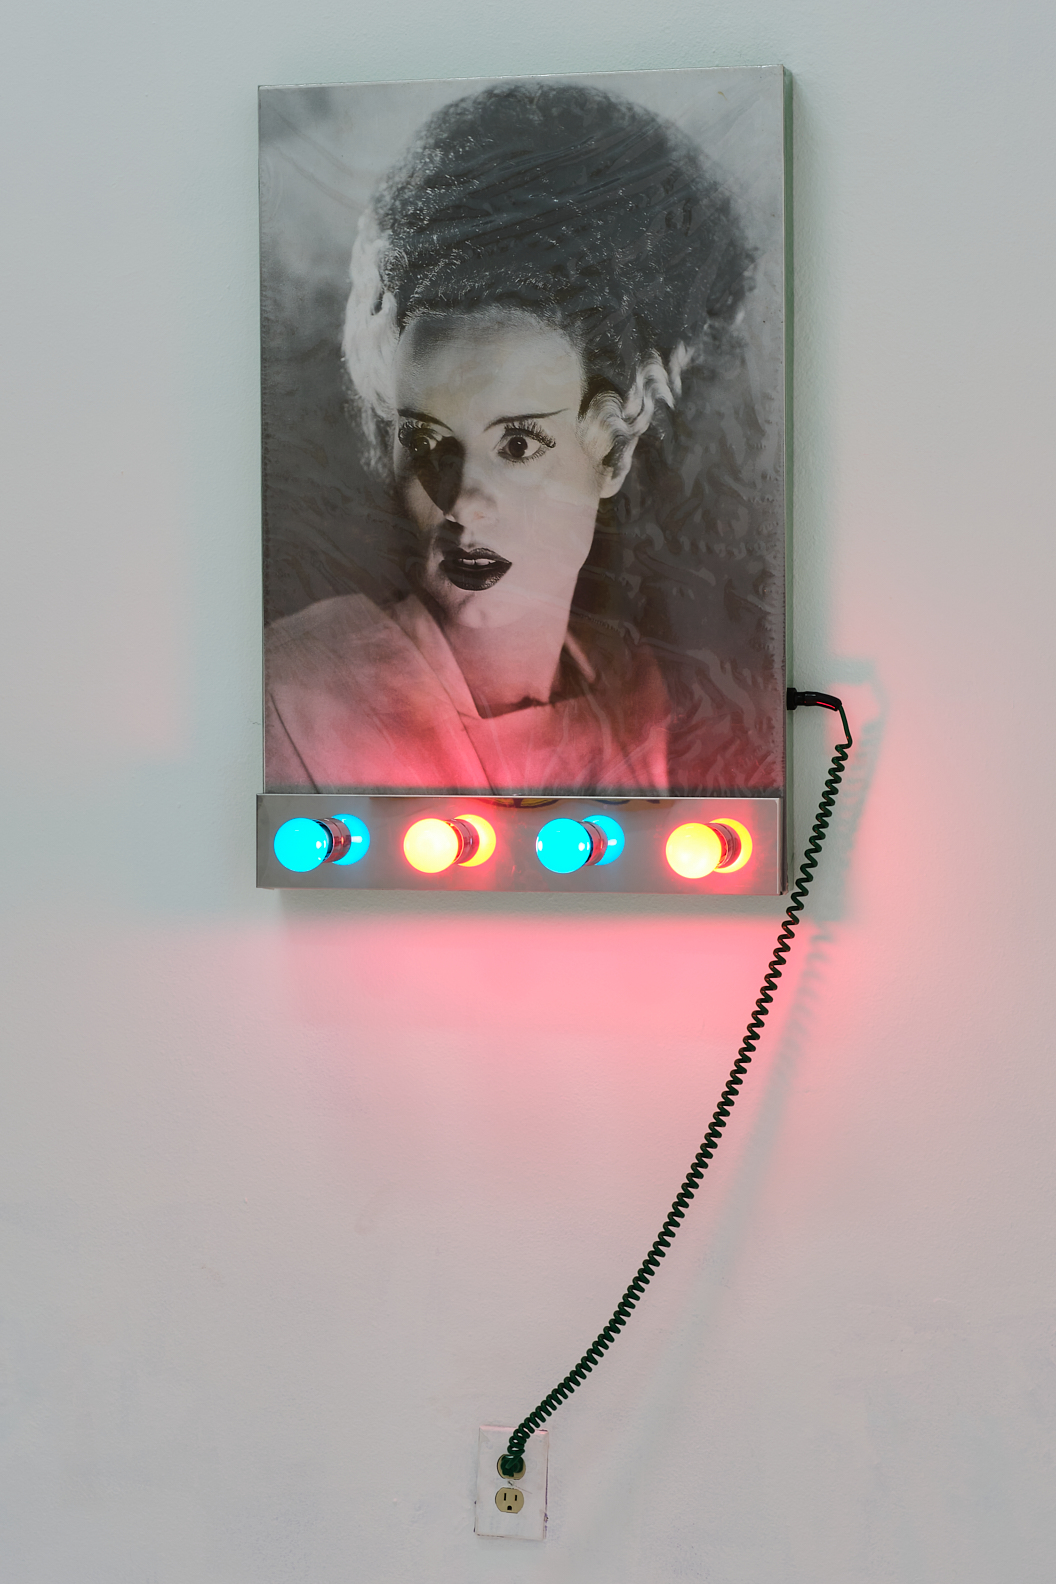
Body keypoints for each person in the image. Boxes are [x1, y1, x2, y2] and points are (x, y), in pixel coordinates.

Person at [265, 81, 753, 795]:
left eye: (518, 445)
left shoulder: (633, 703)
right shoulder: (301, 694)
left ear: (613, 446)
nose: (463, 501)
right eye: (429, 443)